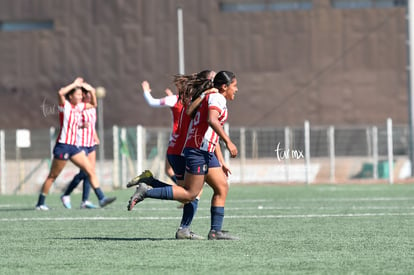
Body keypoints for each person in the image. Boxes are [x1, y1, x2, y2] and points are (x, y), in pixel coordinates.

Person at [127, 71, 239, 240]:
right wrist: (228, 142)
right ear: (222, 86)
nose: (236, 89)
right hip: (193, 150)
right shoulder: (213, 98)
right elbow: (211, 121)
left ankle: (213, 231)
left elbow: (200, 122)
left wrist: (221, 160)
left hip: (200, 150)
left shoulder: (203, 97)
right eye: (235, 86)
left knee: (221, 186)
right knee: (190, 194)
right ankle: (147, 191)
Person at [35, 77, 116, 210]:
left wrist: (91, 90)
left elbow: (94, 104)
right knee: (53, 176)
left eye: (80, 94)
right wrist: (74, 84)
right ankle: (40, 203)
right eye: (77, 94)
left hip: (74, 147)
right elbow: (60, 93)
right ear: (71, 96)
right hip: (63, 146)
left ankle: (101, 198)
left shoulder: (80, 106)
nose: (79, 97)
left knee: (90, 170)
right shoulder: (65, 105)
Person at [60, 88, 100, 209]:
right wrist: (82, 126)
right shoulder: (79, 108)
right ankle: (66, 194)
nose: (89, 96)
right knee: (86, 172)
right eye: (87, 94)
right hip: (80, 143)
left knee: (89, 172)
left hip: (90, 143)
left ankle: (85, 201)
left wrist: (95, 136)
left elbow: (91, 125)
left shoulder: (92, 108)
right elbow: (72, 124)